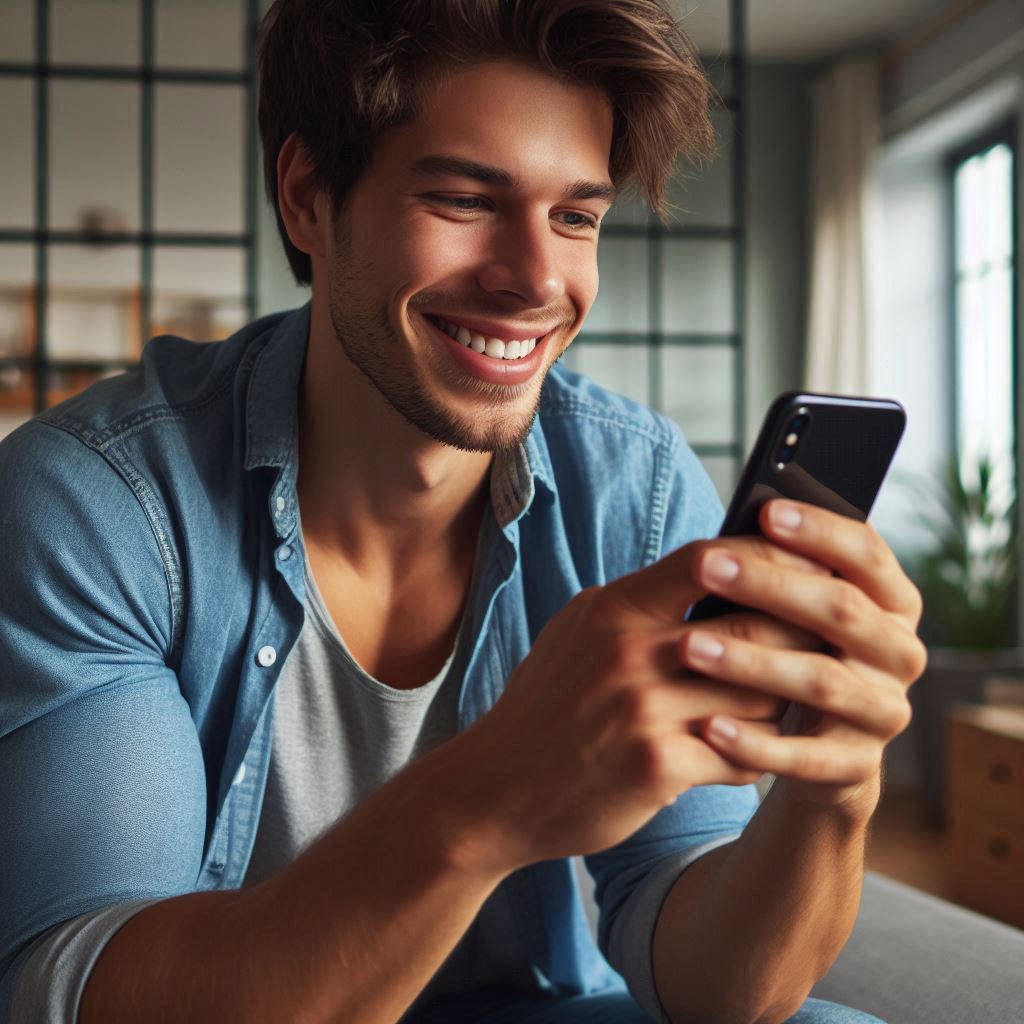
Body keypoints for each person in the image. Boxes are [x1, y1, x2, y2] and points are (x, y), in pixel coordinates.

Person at [0, 1, 926, 1022]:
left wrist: (830, 790)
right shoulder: (97, 499)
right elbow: (81, 991)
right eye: (460, 199)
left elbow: (715, 990)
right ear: (307, 198)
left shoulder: (637, 483)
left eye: (576, 216)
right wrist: (494, 793)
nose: (536, 278)